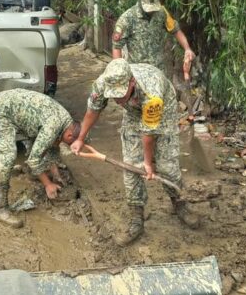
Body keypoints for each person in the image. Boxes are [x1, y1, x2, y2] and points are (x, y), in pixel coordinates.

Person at [71, 58, 201, 246]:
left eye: (120, 94)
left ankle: (180, 204)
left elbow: (148, 135)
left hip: (163, 110)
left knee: (167, 167)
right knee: (131, 168)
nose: (116, 99)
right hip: (133, 113)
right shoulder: (103, 83)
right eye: (113, 95)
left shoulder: (152, 92)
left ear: (131, 82)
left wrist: (148, 163)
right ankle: (136, 218)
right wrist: (80, 138)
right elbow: (93, 109)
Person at [0, 89, 81, 228]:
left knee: (40, 145)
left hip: (21, 110)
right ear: (69, 136)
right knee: (8, 154)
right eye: (71, 144)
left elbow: (53, 146)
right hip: (3, 111)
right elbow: (35, 159)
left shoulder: (67, 123)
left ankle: (32, 173)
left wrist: (56, 175)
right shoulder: (54, 126)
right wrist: (48, 185)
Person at [112, 0, 195, 79]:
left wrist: (187, 48)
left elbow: (176, 30)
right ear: (140, 2)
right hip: (137, 74)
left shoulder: (161, 12)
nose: (151, 11)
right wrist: (120, 73)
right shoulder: (127, 19)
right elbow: (117, 47)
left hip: (158, 71)